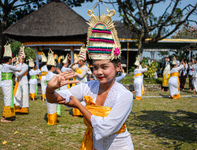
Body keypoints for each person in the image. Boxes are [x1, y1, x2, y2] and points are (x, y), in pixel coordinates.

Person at [46, 7, 134, 150]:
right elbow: (55, 98)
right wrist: (50, 89)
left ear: (118, 67)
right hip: (95, 145)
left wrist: (79, 105)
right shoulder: (89, 87)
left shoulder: (124, 95)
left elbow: (105, 129)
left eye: (104, 67)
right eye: (95, 67)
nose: (99, 72)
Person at [1, 43, 22, 123]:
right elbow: (18, 68)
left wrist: (13, 62)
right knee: (8, 99)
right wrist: (20, 62)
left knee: (9, 99)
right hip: (7, 85)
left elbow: (11, 68)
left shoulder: (4, 66)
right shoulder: (8, 66)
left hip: (5, 84)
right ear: (9, 60)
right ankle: (4, 117)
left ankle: (10, 115)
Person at [70, 46, 89, 118]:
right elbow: (70, 67)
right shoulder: (77, 66)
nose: (78, 62)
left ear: (83, 62)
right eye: (78, 61)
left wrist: (76, 73)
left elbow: (81, 76)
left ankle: (83, 113)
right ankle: (76, 113)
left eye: (80, 61)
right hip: (77, 83)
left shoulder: (85, 67)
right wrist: (73, 63)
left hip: (83, 84)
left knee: (83, 99)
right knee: (76, 98)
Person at [45, 49, 61, 125]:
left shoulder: (47, 75)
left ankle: (50, 119)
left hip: (47, 91)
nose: (55, 68)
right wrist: (59, 72)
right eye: (54, 67)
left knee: (49, 105)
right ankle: (52, 121)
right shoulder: (53, 75)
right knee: (52, 105)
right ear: (52, 67)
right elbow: (60, 77)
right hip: (52, 92)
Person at [14, 45, 29, 114]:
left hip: (24, 81)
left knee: (24, 95)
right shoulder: (18, 65)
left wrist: (16, 71)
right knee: (18, 94)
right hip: (18, 81)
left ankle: (24, 109)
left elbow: (19, 73)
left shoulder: (25, 66)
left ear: (23, 59)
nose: (19, 59)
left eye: (21, 58)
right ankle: (17, 108)